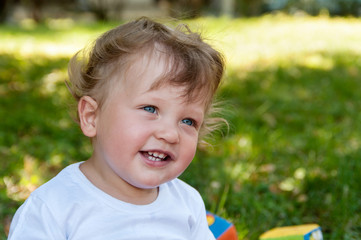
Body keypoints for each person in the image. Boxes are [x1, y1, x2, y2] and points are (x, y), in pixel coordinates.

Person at [8, 17, 225, 240]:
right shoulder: (54, 208)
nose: (170, 134)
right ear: (92, 117)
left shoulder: (186, 203)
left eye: (188, 121)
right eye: (150, 108)